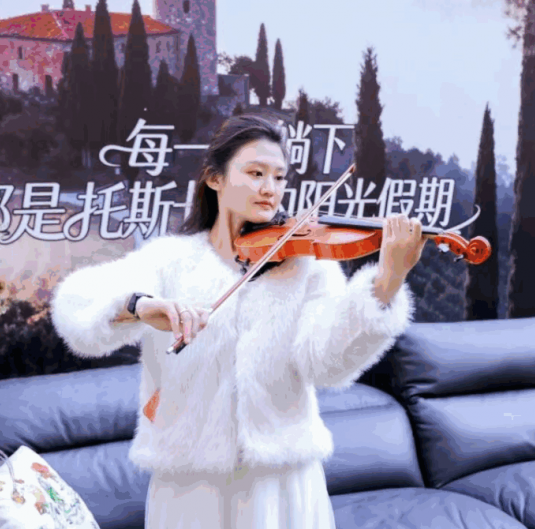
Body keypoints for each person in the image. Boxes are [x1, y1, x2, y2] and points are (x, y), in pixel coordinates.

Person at [50, 113, 425, 529]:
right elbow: (75, 307)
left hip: (281, 481)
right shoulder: (171, 259)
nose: (270, 189)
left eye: (279, 177)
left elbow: (327, 366)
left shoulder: (308, 265)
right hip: (190, 485)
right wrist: (139, 306)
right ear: (215, 178)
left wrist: (387, 282)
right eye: (255, 173)